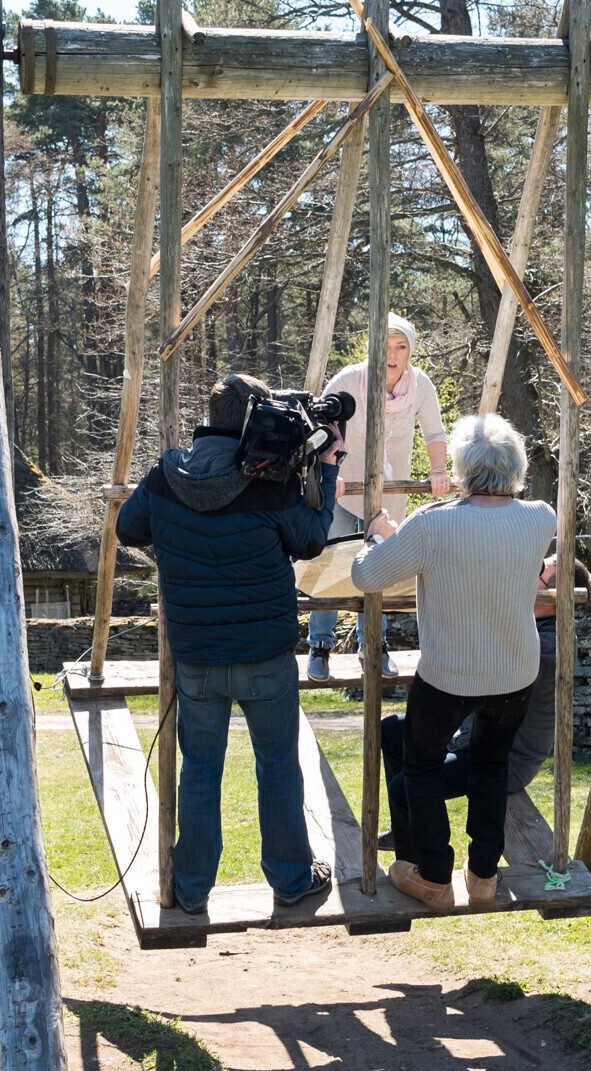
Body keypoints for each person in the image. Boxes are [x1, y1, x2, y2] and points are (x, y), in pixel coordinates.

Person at [116, 373, 339, 915]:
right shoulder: (267, 481)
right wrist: (326, 470)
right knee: (278, 765)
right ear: (255, 420)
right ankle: (291, 880)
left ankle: (191, 888)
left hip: (196, 656)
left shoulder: (167, 474)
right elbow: (312, 539)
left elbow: (128, 529)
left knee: (199, 768)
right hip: (266, 653)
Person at [349, 413, 555, 911]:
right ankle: (483, 875)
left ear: (462, 469)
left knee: (421, 766)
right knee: (491, 764)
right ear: (517, 467)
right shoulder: (541, 517)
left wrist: (378, 534)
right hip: (514, 672)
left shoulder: (432, 523)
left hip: (448, 675)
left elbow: (366, 576)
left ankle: (435, 877)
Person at [375, 558, 591, 852]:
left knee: (403, 789)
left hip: (504, 759)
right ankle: (409, 832)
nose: (526, 574)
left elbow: (485, 678)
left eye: (538, 573)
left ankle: (419, 862)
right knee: (391, 730)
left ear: (553, 598)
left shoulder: (551, 645)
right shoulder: (528, 625)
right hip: (475, 737)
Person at [308, 313, 452, 680]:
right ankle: (320, 645)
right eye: (386, 346)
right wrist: (330, 470)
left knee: (379, 565)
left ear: (410, 352)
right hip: (343, 489)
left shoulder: (420, 386)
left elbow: (434, 433)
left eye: (401, 347)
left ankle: (373, 643)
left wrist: (438, 471)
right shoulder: (349, 379)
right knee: (331, 562)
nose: (392, 355)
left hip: (388, 493)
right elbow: (320, 425)